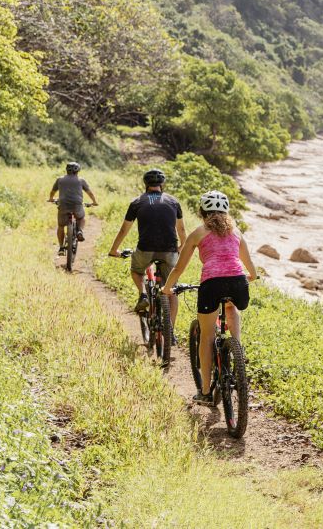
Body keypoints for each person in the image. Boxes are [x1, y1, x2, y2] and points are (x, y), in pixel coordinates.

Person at [162, 190, 256, 406]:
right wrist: (246, 278)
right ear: (226, 211)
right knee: (232, 307)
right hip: (238, 283)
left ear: (203, 212)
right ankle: (237, 350)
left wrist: (167, 289)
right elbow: (253, 270)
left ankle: (205, 391)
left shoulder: (198, 233)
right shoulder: (236, 232)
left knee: (206, 336)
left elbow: (178, 269)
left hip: (212, 284)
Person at [107, 169, 186, 327]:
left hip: (145, 249)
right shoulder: (173, 202)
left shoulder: (137, 202)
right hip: (169, 250)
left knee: (137, 271)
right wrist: (181, 247)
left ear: (146, 184)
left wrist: (114, 250)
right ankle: (171, 329)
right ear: (162, 184)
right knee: (171, 290)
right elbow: (182, 231)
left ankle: (143, 293)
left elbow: (124, 230)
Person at [48, 161, 98, 255]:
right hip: (77, 204)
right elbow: (90, 193)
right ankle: (79, 231)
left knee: (61, 226)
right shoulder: (81, 180)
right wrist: (94, 202)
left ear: (67, 170)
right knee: (81, 218)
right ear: (78, 171)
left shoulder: (60, 180)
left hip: (63, 204)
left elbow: (52, 192)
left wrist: (51, 199)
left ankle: (61, 248)